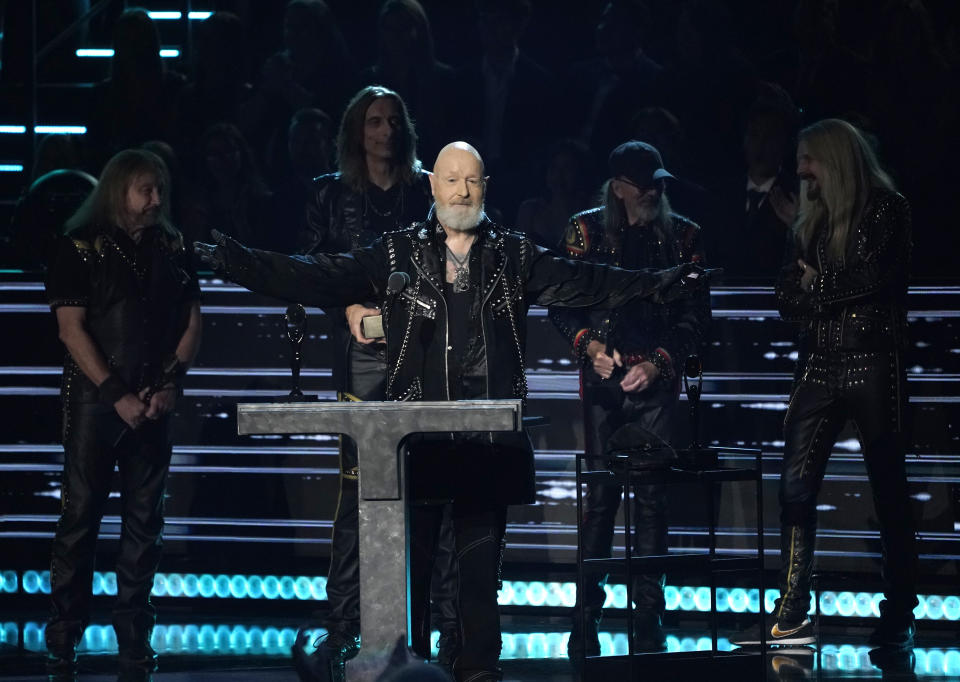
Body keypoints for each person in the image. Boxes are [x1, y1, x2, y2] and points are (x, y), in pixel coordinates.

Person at [195, 141, 703, 681]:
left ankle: (477, 669)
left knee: (477, 577)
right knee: (411, 575)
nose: (463, 191)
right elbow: (318, 274)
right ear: (432, 185)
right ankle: (407, 670)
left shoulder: (513, 255)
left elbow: (589, 281)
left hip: (485, 445)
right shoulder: (394, 254)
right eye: (453, 180)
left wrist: (657, 284)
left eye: (474, 181)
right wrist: (240, 263)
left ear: (486, 188)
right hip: (415, 443)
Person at [733, 119, 917, 649]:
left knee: (889, 490)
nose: (799, 173)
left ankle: (899, 614)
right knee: (794, 486)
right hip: (817, 364)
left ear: (833, 159)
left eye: (807, 162)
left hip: (874, 361)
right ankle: (792, 612)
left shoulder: (887, 208)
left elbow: (880, 277)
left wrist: (822, 284)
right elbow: (786, 293)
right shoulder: (808, 220)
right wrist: (821, 289)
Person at [43, 149, 202, 678]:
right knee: (80, 518)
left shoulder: (173, 249)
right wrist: (115, 392)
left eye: (160, 189)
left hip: (153, 400)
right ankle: (64, 636)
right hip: (96, 404)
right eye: (145, 190)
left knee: (144, 523)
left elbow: (192, 321)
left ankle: (134, 634)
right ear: (119, 191)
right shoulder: (78, 248)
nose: (156, 200)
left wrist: (170, 383)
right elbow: (72, 330)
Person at [549, 141, 710, 656]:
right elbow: (560, 304)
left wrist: (660, 361)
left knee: (654, 502)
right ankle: (586, 618)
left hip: (655, 383)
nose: (654, 194)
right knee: (600, 501)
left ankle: (648, 617)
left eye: (660, 185)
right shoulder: (585, 231)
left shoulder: (684, 237)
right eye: (645, 187)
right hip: (603, 383)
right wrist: (588, 347)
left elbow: (696, 319)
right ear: (619, 188)